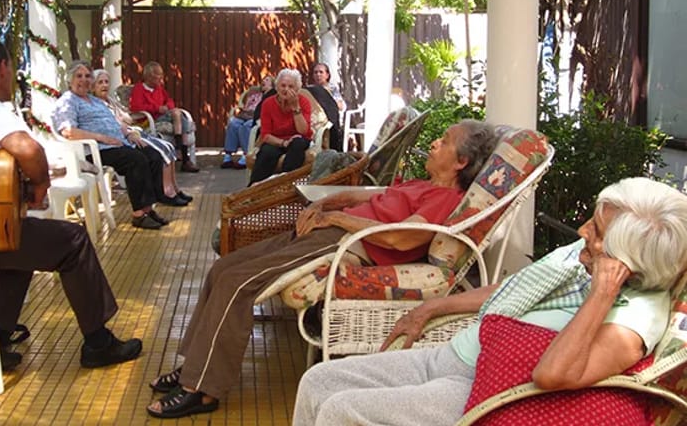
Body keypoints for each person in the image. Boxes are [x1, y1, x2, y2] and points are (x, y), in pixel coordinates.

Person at [146, 120, 497, 419]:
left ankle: (202, 389)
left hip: (343, 244)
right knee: (224, 267)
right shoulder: (421, 185)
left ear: (461, 162)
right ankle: (195, 365)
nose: (435, 144)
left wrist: (336, 219)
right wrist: (327, 203)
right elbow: (367, 197)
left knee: (238, 283)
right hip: (329, 231)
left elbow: (399, 238)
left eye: (445, 141)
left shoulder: (445, 198)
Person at [292, 177, 687, 426]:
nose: (583, 230)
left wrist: (602, 293)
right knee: (318, 380)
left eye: (596, 230)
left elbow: (553, 374)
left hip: (480, 390)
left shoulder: (636, 318)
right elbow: (517, 286)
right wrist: (431, 307)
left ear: (626, 262)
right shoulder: (584, 256)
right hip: (452, 354)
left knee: (341, 411)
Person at [0, 37, 143, 371]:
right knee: (73, 241)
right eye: (11, 68)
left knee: (21, 242)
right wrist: (40, 185)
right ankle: (98, 343)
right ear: (2, 69)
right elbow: (29, 149)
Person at [52, 61, 169, 229]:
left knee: (153, 156)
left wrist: (129, 134)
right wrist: (102, 138)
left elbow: (115, 122)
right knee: (136, 160)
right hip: (96, 149)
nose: (84, 80)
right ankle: (138, 215)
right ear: (70, 80)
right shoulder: (68, 102)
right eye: (79, 76)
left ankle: (148, 209)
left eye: (87, 76)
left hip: (118, 143)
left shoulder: (95, 101)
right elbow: (68, 131)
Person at [92, 69, 192, 207]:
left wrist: (124, 119)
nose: (104, 85)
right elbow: (130, 113)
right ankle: (166, 192)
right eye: (100, 82)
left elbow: (128, 118)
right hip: (127, 134)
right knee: (159, 152)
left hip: (132, 130)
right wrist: (155, 109)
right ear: (93, 86)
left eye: (106, 82)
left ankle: (175, 189)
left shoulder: (111, 101)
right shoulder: (96, 105)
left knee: (168, 146)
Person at [129, 61, 199, 173]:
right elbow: (135, 107)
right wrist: (157, 108)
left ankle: (181, 152)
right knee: (177, 114)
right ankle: (184, 157)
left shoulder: (159, 88)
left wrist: (167, 107)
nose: (161, 78)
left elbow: (169, 101)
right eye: (158, 75)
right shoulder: (139, 89)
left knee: (179, 115)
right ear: (149, 77)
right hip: (150, 119)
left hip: (163, 116)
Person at [248, 68, 313, 185]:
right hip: (276, 140)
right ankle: (255, 188)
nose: (286, 89)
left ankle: (286, 183)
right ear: (277, 87)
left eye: (291, 86)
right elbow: (265, 135)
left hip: (298, 139)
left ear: (297, 89)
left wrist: (296, 108)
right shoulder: (268, 103)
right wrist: (284, 143)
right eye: (283, 85)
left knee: (297, 144)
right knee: (267, 151)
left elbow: (303, 131)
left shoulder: (304, 102)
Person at [221, 75, 274, 170]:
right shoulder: (255, 92)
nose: (264, 81)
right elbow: (244, 105)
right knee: (233, 124)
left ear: (272, 84)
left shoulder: (272, 95)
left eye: (267, 80)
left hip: (257, 117)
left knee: (245, 127)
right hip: (245, 115)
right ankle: (228, 156)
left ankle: (246, 155)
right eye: (263, 79)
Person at [308, 63, 345, 151]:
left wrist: (326, 98)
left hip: (329, 121)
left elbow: (340, 106)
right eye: (315, 72)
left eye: (321, 72)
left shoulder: (332, 89)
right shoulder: (310, 89)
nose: (318, 75)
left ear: (327, 75)